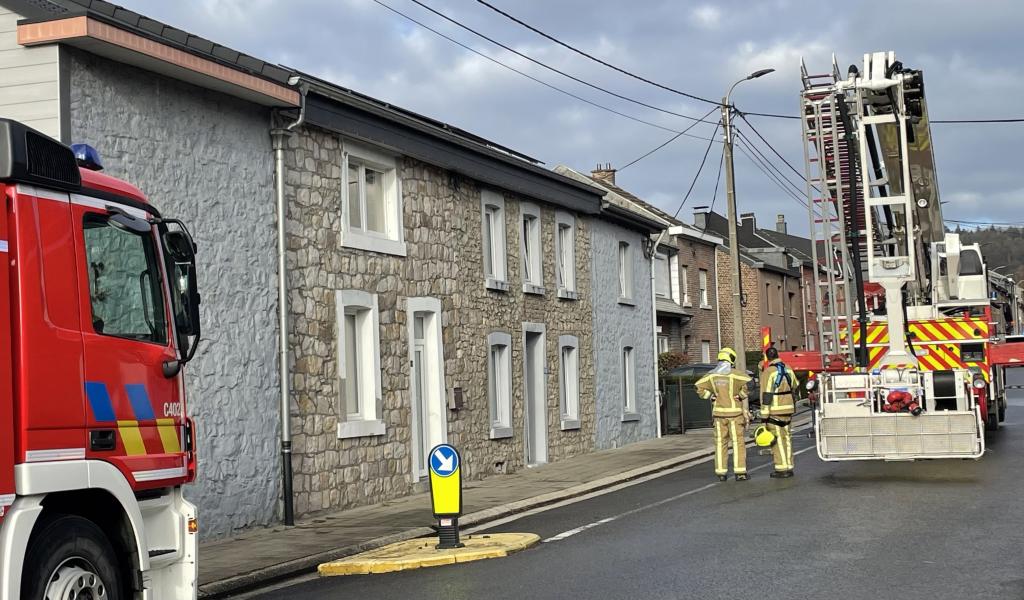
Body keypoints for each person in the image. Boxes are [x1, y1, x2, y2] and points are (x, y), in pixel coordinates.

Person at [695, 348, 752, 481]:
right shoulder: (736, 375)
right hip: (735, 415)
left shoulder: (711, 375)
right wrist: (740, 396)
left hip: (719, 415)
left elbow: (698, 387)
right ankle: (740, 472)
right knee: (738, 443)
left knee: (720, 443)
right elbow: (748, 385)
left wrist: (711, 396)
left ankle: (721, 473)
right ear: (731, 359)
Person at [760, 346, 799, 478]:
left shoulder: (768, 372)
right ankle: (789, 465)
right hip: (788, 409)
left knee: (777, 440)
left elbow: (765, 394)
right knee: (787, 438)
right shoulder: (788, 368)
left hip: (775, 410)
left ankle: (782, 469)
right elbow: (795, 384)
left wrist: (764, 416)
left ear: (767, 357)